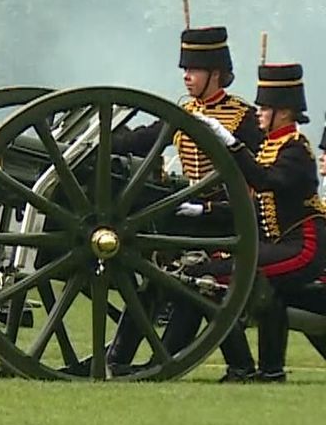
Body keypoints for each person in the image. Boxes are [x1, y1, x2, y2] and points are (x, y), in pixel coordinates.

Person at [109, 25, 264, 374]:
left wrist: (211, 207)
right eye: (184, 69)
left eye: (193, 69)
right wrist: (103, 139)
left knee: (194, 286)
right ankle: (120, 359)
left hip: (228, 218)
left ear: (216, 73)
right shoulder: (184, 112)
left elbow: (260, 176)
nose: (186, 76)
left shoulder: (243, 118)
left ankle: (173, 362)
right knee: (156, 277)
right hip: (189, 217)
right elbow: (143, 140)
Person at [163, 62, 326, 382]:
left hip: (304, 248)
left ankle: (241, 366)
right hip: (280, 246)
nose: (259, 113)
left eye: (265, 107)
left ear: (284, 112)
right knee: (253, 289)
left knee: (213, 279)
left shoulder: (296, 150)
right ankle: (268, 370)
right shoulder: (270, 148)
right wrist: (205, 210)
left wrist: (230, 143)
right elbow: (252, 205)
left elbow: (264, 182)